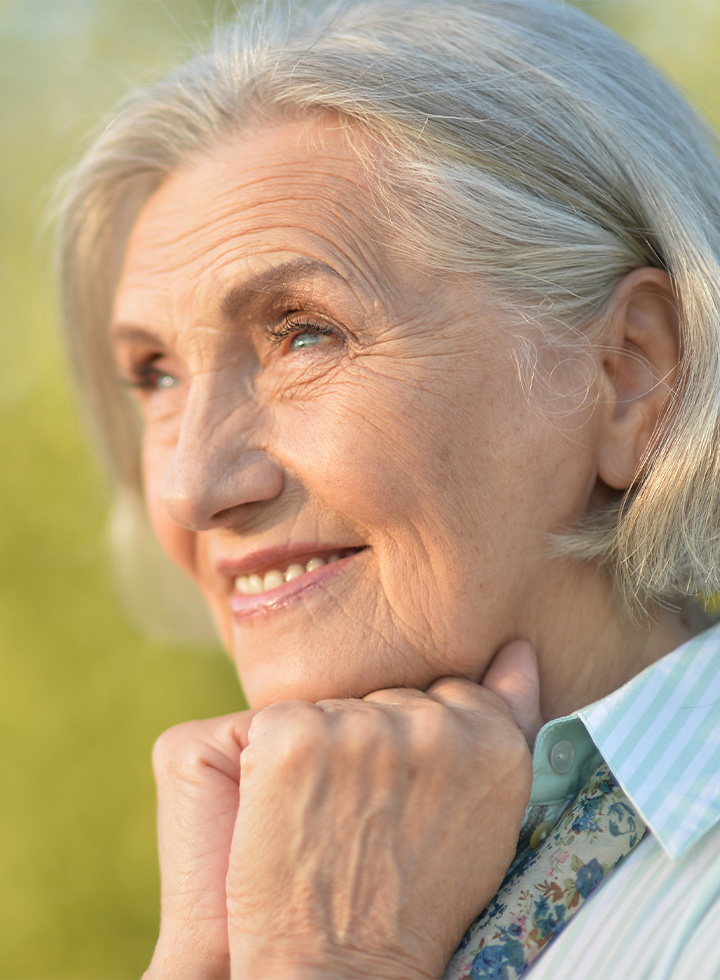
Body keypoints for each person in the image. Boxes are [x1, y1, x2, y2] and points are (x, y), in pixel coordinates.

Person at [56, 0, 720, 977]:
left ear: (628, 373)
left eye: (303, 333)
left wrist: (331, 958)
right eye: (157, 375)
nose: (193, 486)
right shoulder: (244, 886)